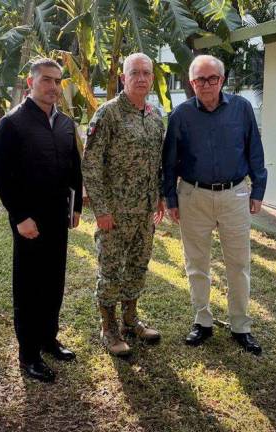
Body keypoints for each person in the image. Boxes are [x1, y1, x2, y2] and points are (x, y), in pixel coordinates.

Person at [163, 55, 267, 355]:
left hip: (234, 194)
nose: (206, 85)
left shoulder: (241, 108)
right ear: (191, 83)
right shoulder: (180, 115)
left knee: (238, 263)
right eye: (199, 80)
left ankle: (240, 326)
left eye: (212, 78)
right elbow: (169, 162)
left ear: (222, 80)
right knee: (197, 263)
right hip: (193, 196)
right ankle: (202, 321)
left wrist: (258, 189)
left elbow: (254, 150)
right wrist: (171, 198)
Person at [0, 58, 83, 382]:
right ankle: (28, 353)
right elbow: (0, 175)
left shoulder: (66, 124)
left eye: (58, 81)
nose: (53, 87)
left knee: (54, 281)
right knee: (29, 287)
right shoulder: (12, 124)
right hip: (29, 221)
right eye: (46, 80)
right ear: (30, 83)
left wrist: (76, 208)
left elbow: (74, 168)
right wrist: (20, 217)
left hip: (58, 217)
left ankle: (48, 339)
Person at [82, 53, 165, 357]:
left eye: (146, 73)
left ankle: (131, 320)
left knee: (137, 266)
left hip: (144, 212)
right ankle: (109, 328)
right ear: (123, 78)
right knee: (111, 269)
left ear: (152, 78)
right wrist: (101, 209)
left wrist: (158, 198)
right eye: (135, 73)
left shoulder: (156, 117)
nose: (141, 78)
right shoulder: (108, 114)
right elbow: (90, 165)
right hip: (114, 214)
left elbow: (157, 163)